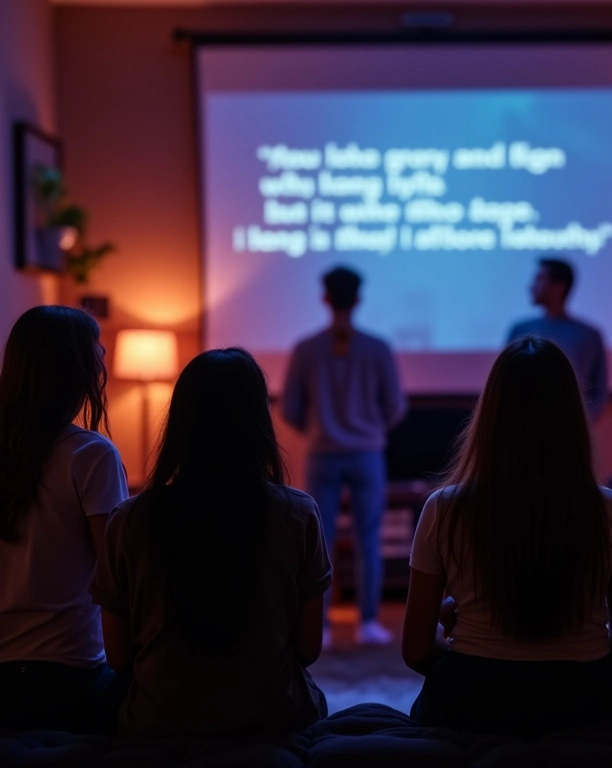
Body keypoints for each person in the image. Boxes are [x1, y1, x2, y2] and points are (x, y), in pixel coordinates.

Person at [402, 337, 612, 735]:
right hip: (586, 702)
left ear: (491, 414)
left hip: (469, 701)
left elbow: (415, 651)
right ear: (572, 416)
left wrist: (469, 667)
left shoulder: (443, 508)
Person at [90, 348, 332, 736]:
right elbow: (308, 648)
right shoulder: (299, 514)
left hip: (158, 722)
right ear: (258, 423)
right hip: (275, 719)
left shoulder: (128, 520)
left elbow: (118, 657)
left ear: (180, 422)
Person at [0, 306, 129, 733]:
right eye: (96, 347)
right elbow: (117, 578)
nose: (104, 354)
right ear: (74, 369)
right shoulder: (90, 455)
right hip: (71, 678)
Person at [282, 266, 407, 647]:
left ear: (325, 297)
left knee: (320, 542)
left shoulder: (306, 348)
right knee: (369, 539)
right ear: (357, 299)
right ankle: (368, 622)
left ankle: (319, 625)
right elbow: (396, 406)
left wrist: (318, 429)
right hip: (367, 453)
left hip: (323, 453)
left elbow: (290, 408)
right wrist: (370, 430)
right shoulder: (378, 347)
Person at [507, 257, 608, 420]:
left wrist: (579, 423)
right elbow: (505, 384)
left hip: (572, 425)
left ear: (559, 287)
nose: (531, 287)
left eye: (540, 279)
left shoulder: (588, 335)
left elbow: (599, 390)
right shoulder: (520, 331)